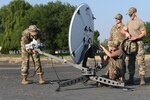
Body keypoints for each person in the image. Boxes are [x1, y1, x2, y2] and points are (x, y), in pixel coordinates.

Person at [121, 7, 147, 85]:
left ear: (135, 13)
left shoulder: (140, 22)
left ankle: (142, 80)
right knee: (130, 61)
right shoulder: (128, 22)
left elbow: (144, 33)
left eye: (131, 14)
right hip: (131, 44)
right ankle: (131, 78)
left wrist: (137, 37)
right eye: (129, 14)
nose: (130, 15)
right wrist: (126, 33)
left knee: (140, 61)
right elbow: (123, 30)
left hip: (139, 43)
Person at [107, 13, 126, 81]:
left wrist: (125, 46)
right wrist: (109, 46)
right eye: (116, 18)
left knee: (121, 62)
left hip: (121, 47)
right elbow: (110, 37)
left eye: (118, 18)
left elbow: (126, 38)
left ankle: (122, 77)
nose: (117, 20)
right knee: (112, 61)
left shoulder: (124, 27)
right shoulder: (113, 27)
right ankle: (113, 76)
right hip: (113, 47)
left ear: (120, 19)